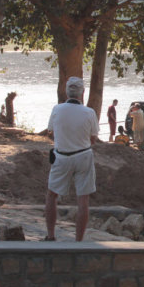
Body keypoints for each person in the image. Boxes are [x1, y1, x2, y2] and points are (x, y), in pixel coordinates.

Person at [45, 76, 99, 241]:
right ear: (83, 93)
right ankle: (79, 240)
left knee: (51, 195)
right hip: (83, 155)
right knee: (83, 198)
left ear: (66, 92)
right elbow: (93, 139)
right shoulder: (89, 112)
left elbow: (50, 132)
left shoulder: (57, 109)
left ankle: (51, 235)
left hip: (62, 156)